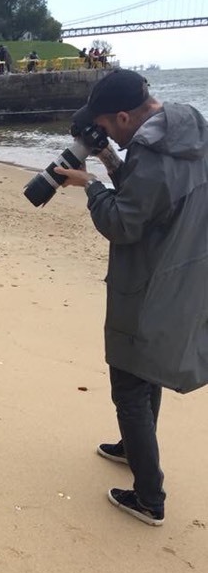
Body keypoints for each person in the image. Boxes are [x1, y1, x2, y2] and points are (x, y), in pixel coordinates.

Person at [54, 69, 208, 525]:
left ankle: (149, 497)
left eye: (105, 127)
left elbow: (122, 224)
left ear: (124, 116)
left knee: (129, 383)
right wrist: (108, 160)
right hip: (182, 272)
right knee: (147, 369)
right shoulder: (186, 131)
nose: (105, 134)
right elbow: (152, 199)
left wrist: (91, 186)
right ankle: (133, 447)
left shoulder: (152, 155)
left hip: (150, 279)